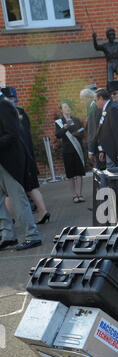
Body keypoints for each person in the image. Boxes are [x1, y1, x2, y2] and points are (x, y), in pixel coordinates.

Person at [0, 88, 42, 251]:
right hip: (3, 161)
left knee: (18, 200)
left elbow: (13, 134)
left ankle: (32, 236)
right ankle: (8, 236)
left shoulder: (4, 105)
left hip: (10, 162)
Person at [2, 86, 50, 224]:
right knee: (31, 187)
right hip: (27, 155)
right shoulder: (20, 112)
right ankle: (43, 211)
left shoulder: (9, 113)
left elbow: (14, 137)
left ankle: (12, 220)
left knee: (11, 192)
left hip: (17, 157)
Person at [55, 101, 86, 203]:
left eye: (68, 106)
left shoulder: (76, 119)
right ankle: (74, 195)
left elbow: (82, 132)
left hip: (77, 149)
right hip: (67, 151)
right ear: (61, 110)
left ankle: (80, 194)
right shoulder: (59, 122)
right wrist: (64, 128)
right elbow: (58, 135)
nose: (67, 108)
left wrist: (77, 133)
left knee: (79, 172)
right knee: (71, 174)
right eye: (65, 107)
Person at [92, 88, 118, 168]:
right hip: (109, 151)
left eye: (95, 100)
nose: (94, 102)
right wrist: (102, 150)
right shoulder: (105, 109)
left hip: (116, 153)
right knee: (113, 177)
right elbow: (103, 131)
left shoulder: (113, 109)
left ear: (101, 98)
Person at [80, 87, 102, 169]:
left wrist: (90, 150)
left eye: (82, 99)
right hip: (98, 146)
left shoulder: (93, 109)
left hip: (98, 147)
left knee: (102, 172)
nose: (81, 102)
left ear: (89, 98)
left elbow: (93, 132)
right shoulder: (91, 108)